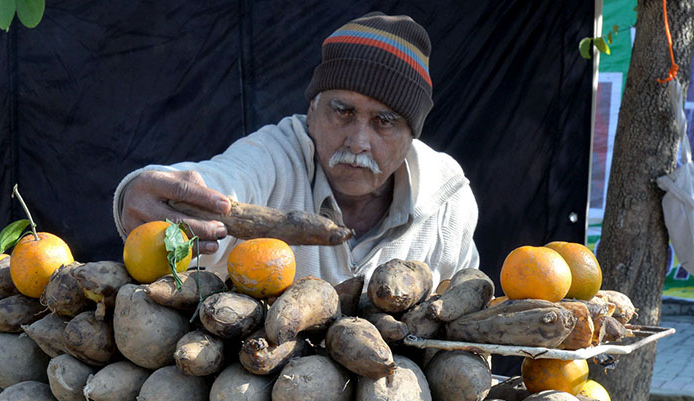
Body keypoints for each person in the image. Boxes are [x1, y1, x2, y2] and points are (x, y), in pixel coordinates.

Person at [113, 12, 479, 286]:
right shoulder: (273, 156)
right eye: (343, 111)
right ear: (313, 110)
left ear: (412, 135)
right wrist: (142, 192)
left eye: (384, 121)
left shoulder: (448, 201)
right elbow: (224, 180)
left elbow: (466, 315)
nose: (358, 141)